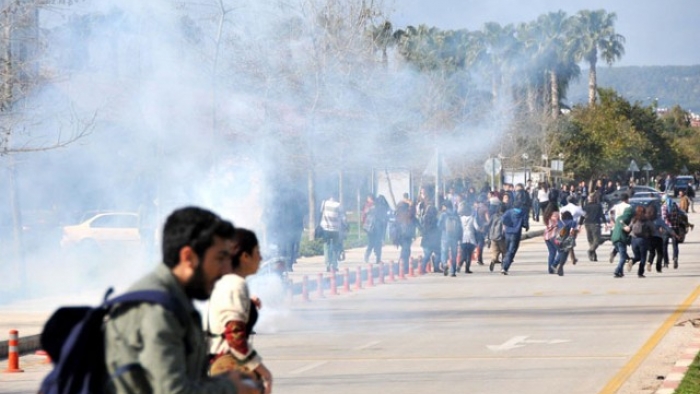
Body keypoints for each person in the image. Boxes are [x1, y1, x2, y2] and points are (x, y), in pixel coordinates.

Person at [104, 206, 259, 394]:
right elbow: (174, 391)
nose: (226, 269)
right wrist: (230, 388)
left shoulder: (175, 300)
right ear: (188, 257)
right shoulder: (158, 310)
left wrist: (223, 380)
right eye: (220, 258)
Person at [208, 228, 273, 394]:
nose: (261, 258)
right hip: (228, 366)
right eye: (257, 252)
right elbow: (234, 336)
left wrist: (247, 304)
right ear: (245, 256)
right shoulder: (235, 285)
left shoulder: (227, 283)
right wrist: (264, 372)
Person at [499, 199, 528, 275]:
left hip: (507, 233)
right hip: (516, 234)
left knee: (507, 250)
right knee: (511, 251)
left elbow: (502, 219)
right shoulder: (522, 213)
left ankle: (503, 264)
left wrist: (506, 225)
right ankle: (505, 267)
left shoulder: (509, 212)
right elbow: (525, 224)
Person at [320, 196, 346, 272]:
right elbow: (342, 218)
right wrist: (345, 225)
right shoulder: (338, 205)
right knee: (335, 247)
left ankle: (328, 265)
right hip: (335, 229)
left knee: (326, 247)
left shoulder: (324, 203)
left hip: (325, 228)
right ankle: (334, 265)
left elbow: (320, 214)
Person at [438, 200, 463, 277]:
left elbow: (438, 225)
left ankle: (445, 263)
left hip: (445, 236)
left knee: (444, 252)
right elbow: (460, 227)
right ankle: (453, 271)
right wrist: (460, 237)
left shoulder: (443, 215)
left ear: (445, 206)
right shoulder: (456, 214)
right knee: (454, 254)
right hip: (454, 237)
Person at [628, 205, 653, 278]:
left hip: (633, 240)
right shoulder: (646, 220)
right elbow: (652, 229)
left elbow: (629, 227)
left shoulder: (634, 219)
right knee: (643, 258)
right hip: (642, 240)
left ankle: (632, 261)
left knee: (637, 256)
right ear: (644, 212)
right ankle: (640, 273)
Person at [581, 194, 605, 261]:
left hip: (590, 224)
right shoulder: (595, 206)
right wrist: (580, 224)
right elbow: (602, 215)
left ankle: (592, 254)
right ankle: (591, 252)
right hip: (592, 224)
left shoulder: (589, 206)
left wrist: (580, 224)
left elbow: (583, 216)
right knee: (595, 240)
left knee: (592, 240)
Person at [612, 206, 633, 278]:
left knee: (623, 256)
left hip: (614, 239)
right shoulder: (627, 218)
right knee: (623, 257)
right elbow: (626, 229)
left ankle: (620, 272)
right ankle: (617, 270)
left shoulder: (618, 218)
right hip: (621, 239)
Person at [543, 202, 561, 274]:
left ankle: (550, 269)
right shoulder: (557, 214)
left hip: (547, 236)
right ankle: (554, 265)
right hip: (554, 235)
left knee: (552, 253)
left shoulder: (546, 215)